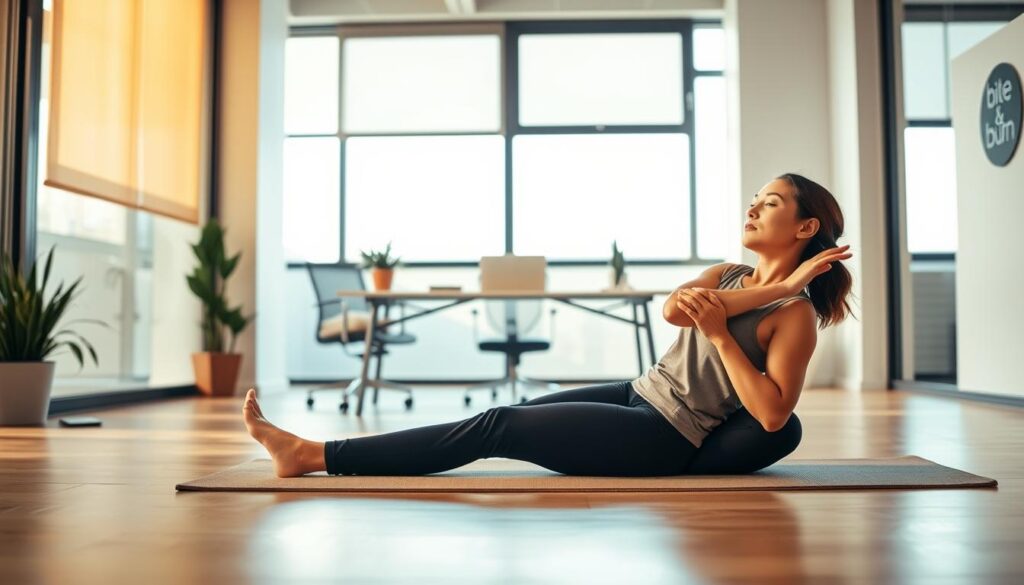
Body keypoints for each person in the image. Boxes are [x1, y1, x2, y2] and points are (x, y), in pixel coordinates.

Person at [243, 173, 855, 478]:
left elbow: (774, 416)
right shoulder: (728, 273)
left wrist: (727, 333)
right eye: (755, 198)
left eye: (770, 203)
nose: (754, 206)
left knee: (497, 426)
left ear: (805, 229)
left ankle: (314, 454)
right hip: (637, 393)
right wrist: (775, 284)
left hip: (669, 433)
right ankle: (314, 453)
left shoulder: (794, 316)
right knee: (515, 411)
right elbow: (672, 310)